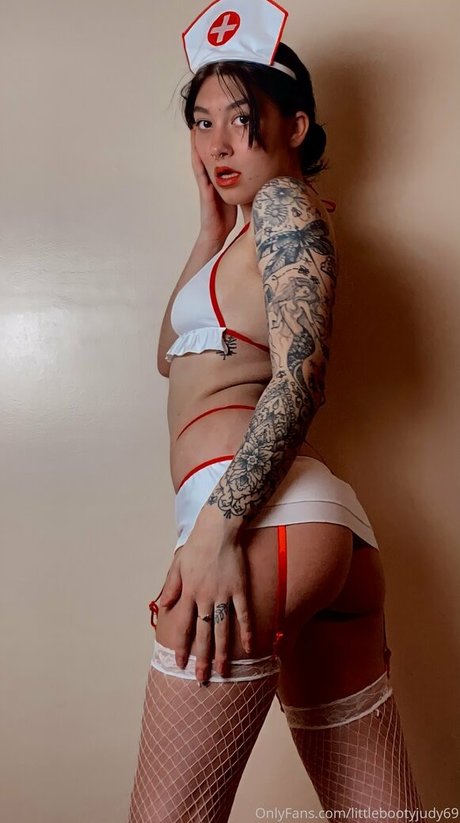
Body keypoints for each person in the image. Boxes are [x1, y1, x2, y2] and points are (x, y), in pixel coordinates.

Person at [128, 2, 423, 820]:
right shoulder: (240, 234)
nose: (218, 144)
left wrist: (217, 532)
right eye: (201, 122)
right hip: (307, 529)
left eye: (241, 119)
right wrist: (209, 227)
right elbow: (170, 356)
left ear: (293, 125)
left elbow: (299, 380)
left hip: (254, 519)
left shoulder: (287, 208)